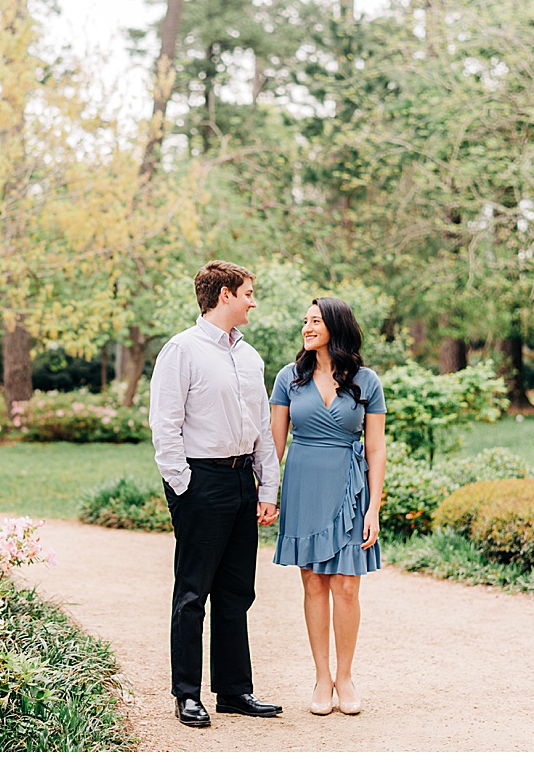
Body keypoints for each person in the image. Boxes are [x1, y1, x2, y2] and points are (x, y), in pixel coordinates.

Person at [148, 260, 283, 728]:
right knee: (192, 592)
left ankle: (233, 690)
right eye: (248, 292)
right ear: (224, 294)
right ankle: (187, 694)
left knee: (236, 591)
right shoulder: (181, 350)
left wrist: (267, 487)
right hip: (200, 483)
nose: (253, 300)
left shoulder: (250, 357)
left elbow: (262, 428)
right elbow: (164, 425)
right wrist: (183, 487)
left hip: (242, 480)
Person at [269, 297, 386, 717]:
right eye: (305, 321)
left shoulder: (367, 380)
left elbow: (375, 448)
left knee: (348, 585)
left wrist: (373, 507)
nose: (307, 327)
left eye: (315, 321)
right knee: (314, 583)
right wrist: (267, 494)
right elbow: (275, 445)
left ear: (335, 326)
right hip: (303, 484)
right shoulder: (288, 378)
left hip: (349, 487)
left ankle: (346, 676)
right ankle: (322, 677)